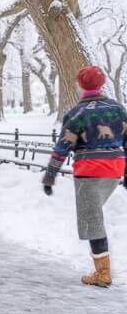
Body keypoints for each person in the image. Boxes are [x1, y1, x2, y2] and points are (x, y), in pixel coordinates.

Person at [42, 65, 127, 287]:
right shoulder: (119, 109)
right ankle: (102, 270)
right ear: (101, 84)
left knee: (91, 221)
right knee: (94, 217)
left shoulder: (77, 114)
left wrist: (50, 175)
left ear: (80, 85)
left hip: (90, 171)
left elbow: (63, 146)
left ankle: (103, 273)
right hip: (115, 168)